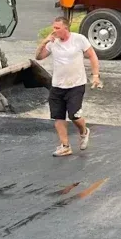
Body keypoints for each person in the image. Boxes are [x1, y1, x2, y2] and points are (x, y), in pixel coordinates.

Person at [36, 16, 102, 156]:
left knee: (74, 115)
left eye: (57, 28)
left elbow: (92, 56)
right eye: (53, 28)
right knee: (58, 117)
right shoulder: (52, 42)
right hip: (57, 85)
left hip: (76, 84)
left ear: (66, 28)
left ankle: (84, 131)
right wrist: (44, 42)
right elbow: (39, 57)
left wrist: (95, 75)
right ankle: (65, 146)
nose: (54, 31)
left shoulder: (79, 39)